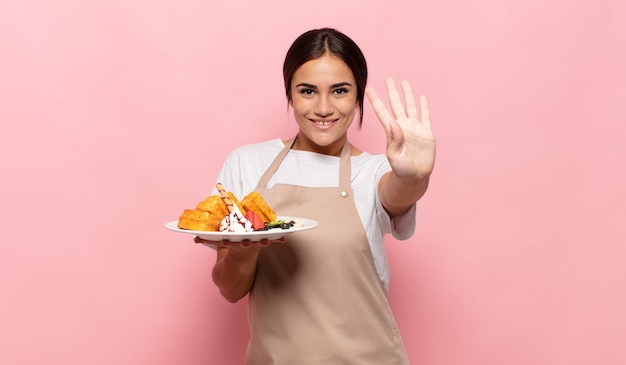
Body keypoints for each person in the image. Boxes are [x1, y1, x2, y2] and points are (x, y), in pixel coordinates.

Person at [195, 27, 436, 364]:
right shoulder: (248, 164)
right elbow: (230, 289)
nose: (323, 107)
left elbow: (398, 193)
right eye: (307, 91)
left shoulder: (375, 172)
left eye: (339, 91)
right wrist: (244, 252)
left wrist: (415, 176)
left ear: (357, 98)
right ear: (290, 96)